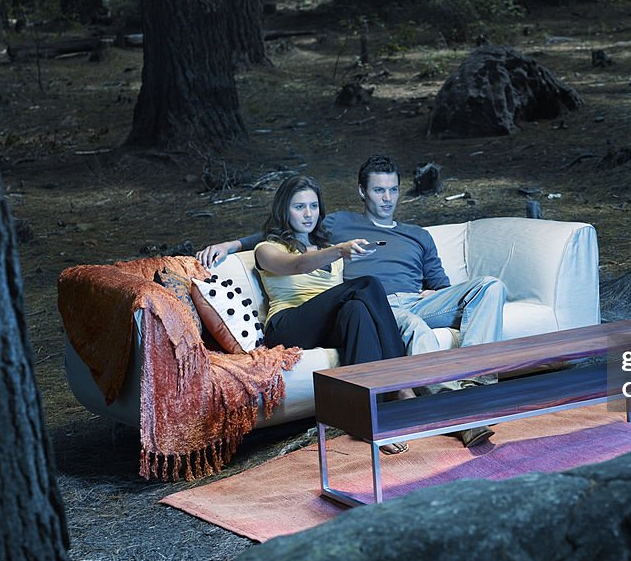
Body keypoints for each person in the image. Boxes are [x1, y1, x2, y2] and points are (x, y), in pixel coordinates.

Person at [197, 155, 507, 448]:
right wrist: (232, 244)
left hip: (370, 307)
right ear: (362, 191)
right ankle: (414, 393)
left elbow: (439, 284)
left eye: (393, 190)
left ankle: (381, 413)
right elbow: (290, 257)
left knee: (485, 287)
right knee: (372, 293)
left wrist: (431, 293)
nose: (386, 197)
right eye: (378, 190)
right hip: (316, 316)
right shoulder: (327, 233)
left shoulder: (403, 235)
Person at [253, 174, 410, 454]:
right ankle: (400, 382)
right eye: (299, 207)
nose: (308, 214)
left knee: (356, 310)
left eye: (313, 206)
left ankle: (367, 416)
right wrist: (338, 251)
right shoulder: (267, 249)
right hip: (287, 326)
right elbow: (298, 265)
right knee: (368, 283)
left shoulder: (324, 246)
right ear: (283, 210)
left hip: (323, 326)